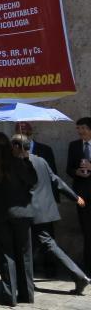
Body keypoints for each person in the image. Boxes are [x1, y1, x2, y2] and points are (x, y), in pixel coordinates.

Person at [12, 134, 90, 295]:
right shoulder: (41, 160)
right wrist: (74, 197)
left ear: (17, 147)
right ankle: (24, 282)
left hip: (31, 212)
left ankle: (78, 275)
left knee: (38, 246)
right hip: (45, 210)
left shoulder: (20, 164)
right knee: (38, 245)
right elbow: (56, 180)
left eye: (12, 146)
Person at [0, 132, 37, 307]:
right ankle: (27, 294)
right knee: (24, 254)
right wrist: (26, 160)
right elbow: (33, 180)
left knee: (6, 255)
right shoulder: (17, 162)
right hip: (20, 213)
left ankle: (9, 295)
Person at [67, 116, 91, 274]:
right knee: (87, 231)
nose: (80, 131)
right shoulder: (74, 146)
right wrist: (76, 172)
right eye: (78, 128)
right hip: (82, 196)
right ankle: (88, 266)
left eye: (83, 128)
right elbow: (68, 168)